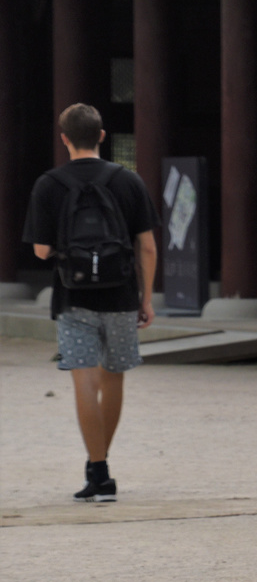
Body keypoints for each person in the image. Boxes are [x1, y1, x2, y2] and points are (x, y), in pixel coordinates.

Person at [22, 104, 158, 502]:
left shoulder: (48, 184)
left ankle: (98, 471)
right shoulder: (128, 181)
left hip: (73, 293)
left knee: (84, 377)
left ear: (64, 138)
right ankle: (102, 463)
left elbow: (42, 251)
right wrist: (145, 298)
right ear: (102, 136)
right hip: (120, 295)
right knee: (113, 375)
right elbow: (147, 246)